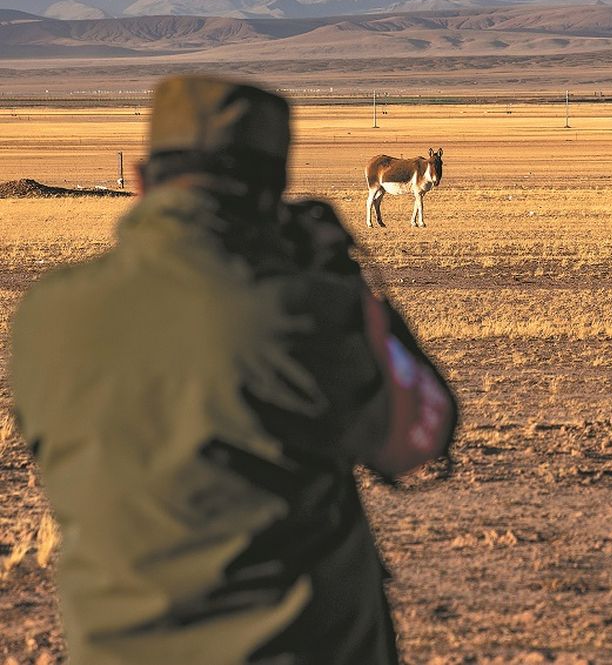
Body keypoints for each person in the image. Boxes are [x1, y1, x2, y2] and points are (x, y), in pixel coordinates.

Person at [11, 76, 457, 664]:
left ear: (142, 182)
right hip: (306, 647)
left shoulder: (46, 314)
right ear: (276, 190)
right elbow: (418, 439)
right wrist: (356, 289)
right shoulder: (312, 310)